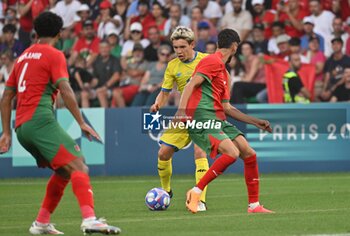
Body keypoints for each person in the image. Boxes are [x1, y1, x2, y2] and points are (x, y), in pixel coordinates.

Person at [0, 12, 121, 235]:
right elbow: (65, 89)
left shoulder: (23, 57)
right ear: (59, 33)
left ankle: (41, 223)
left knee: (65, 171)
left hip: (21, 128)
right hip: (40, 121)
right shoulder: (54, 54)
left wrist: (6, 133)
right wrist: (81, 123)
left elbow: (6, 97)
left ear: (35, 32)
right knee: (79, 165)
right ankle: (89, 220)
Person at [175, 28, 274, 214]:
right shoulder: (211, 60)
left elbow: (227, 108)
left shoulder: (225, 73)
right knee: (231, 152)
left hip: (217, 119)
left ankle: (254, 206)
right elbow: (191, 85)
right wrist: (182, 111)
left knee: (249, 153)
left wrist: (254, 121)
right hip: (201, 117)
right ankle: (196, 191)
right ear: (235, 46)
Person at [150, 26, 209, 211]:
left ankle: (199, 200)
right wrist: (157, 103)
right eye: (176, 47)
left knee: (200, 152)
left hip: (204, 113)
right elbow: (164, 92)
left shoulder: (206, 60)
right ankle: (166, 191)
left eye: (182, 47)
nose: (179, 51)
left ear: (192, 44)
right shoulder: (172, 65)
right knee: (163, 153)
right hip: (183, 114)